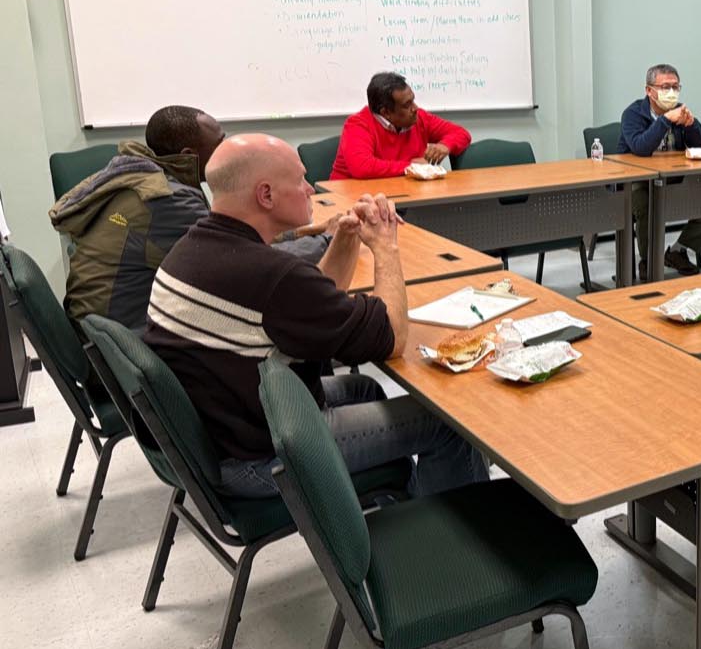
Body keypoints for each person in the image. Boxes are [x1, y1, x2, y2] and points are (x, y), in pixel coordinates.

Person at [145, 134, 486, 498]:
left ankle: (398, 506)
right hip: (259, 462)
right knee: (447, 423)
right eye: (300, 180)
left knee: (363, 389)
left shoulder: (194, 248)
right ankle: (457, 529)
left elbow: (311, 305)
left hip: (223, 437)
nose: (310, 188)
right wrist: (386, 246)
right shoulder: (270, 274)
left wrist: (346, 237)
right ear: (266, 195)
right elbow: (392, 337)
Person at [49, 106, 329, 332]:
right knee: (272, 320)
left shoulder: (140, 175)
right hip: (127, 343)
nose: (226, 148)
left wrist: (301, 232)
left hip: (104, 328)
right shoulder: (166, 200)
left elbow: (233, 234)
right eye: (219, 143)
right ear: (189, 155)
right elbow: (243, 259)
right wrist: (328, 242)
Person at [614, 63, 701, 276]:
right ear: (649, 90)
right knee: (646, 203)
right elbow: (641, 148)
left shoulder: (678, 112)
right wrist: (664, 120)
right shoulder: (633, 114)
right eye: (665, 87)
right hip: (636, 182)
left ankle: (678, 251)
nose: (671, 92)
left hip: (671, 179)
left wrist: (691, 124)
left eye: (675, 87)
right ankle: (648, 260)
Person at [330, 72, 472, 180]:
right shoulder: (357, 125)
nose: (415, 108)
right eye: (406, 105)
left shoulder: (419, 118)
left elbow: (462, 133)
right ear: (386, 112)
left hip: (398, 195)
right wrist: (411, 167)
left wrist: (445, 145)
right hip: (349, 199)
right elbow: (363, 167)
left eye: (413, 100)